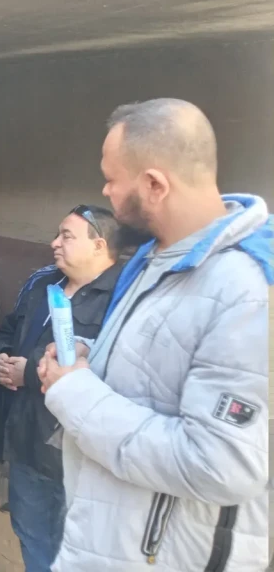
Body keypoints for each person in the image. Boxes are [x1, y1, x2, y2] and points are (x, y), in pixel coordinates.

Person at [39, 99, 271, 571]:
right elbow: (158, 373)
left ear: (154, 185)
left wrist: (74, 390)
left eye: (111, 179)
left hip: (165, 555)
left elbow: (221, 465)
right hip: (113, 539)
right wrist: (90, 359)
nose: (105, 190)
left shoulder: (247, 290)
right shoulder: (156, 259)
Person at [0, 205, 123, 571]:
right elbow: (9, 330)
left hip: (78, 455)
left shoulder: (122, 298)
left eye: (66, 236)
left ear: (99, 245)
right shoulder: (43, 284)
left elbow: (113, 371)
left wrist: (29, 374)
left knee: (76, 549)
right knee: (32, 536)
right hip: (25, 440)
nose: (54, 243)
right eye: (57, 234)